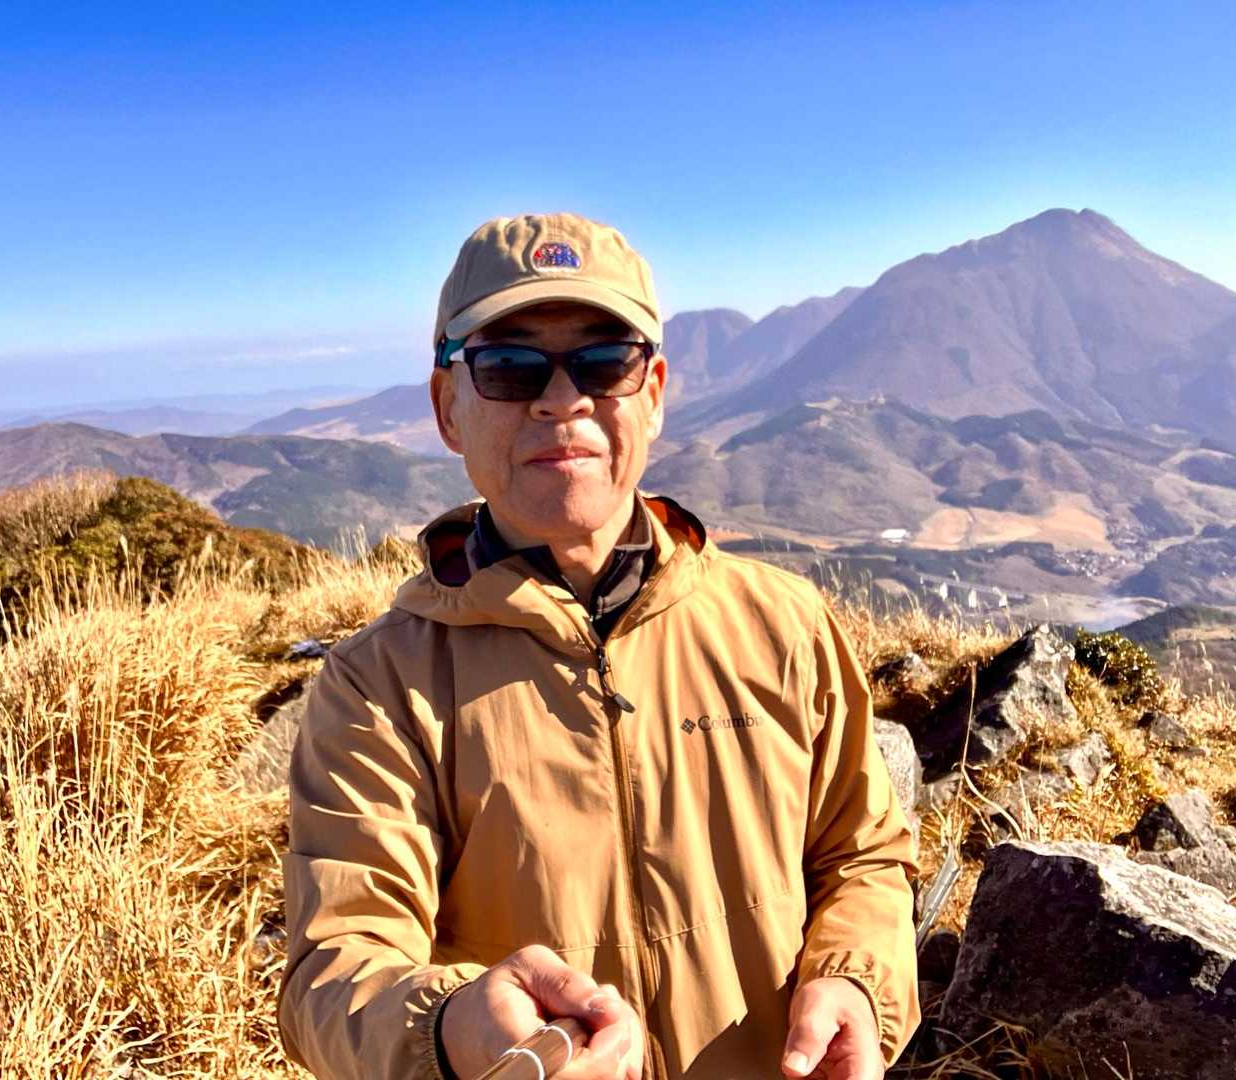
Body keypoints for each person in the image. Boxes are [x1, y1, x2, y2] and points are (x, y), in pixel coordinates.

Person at [278, 212, 920, 1080]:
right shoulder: (380, 686)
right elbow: (335, 971)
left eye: (604, 361)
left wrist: (855, 981)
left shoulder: (786, 624)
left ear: (653, 392)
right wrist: (454, 1028)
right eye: (508, 367)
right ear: (447, 407)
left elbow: (864, 855)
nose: (561, 399)